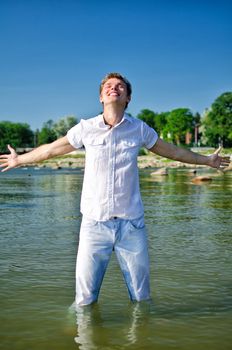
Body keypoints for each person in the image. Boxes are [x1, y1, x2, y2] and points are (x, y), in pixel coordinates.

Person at [0, 72, 230, 307]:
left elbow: (174, 152)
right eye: (108, 86)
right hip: (94, 224)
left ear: (128, 98)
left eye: (120, 86)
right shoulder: (86, 129)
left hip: (132, 225)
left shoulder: (139, 129)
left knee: (141, 298)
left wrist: (207, 161)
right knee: (84, 300)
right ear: (101, 97)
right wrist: (20, 160)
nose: (114, 88)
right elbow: (49, 150)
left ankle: (139, 339)